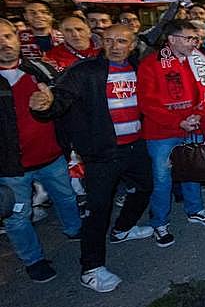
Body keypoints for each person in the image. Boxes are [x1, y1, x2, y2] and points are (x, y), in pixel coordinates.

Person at [29, 24, 154, 291]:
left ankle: (123, 230)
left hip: (135, 146)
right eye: (108, 40)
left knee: (145, 188)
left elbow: (154, 38)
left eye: (122, 41)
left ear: (132, 45)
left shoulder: (137, 65)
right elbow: (59, 99)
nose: (114, 45)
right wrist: (45, 105)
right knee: (98, 210)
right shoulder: (84, 71)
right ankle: (91, 268)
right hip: (102, 153)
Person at [0, 18, 81, 282]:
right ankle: (33, 261)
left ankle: (74, 229)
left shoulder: (40, 69)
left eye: (8, 36)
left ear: (17, 38)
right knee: (17, 217)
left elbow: (65, 98)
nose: (4, 43)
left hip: (52, 158)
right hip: (12, 169)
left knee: (67, 199)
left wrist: (51, 102)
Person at [137, 19, 205, 247]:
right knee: (162, 179)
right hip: (162, 132)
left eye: (196, 38)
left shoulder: (197, 60)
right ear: (172, 39)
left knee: (192, 169)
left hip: (193, 125)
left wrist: (198, 114)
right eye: (189, 38)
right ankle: (160, 223)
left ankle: (195, 209)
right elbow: (147, 103)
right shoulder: (151, 64)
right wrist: (178, 121)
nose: (194, 43)